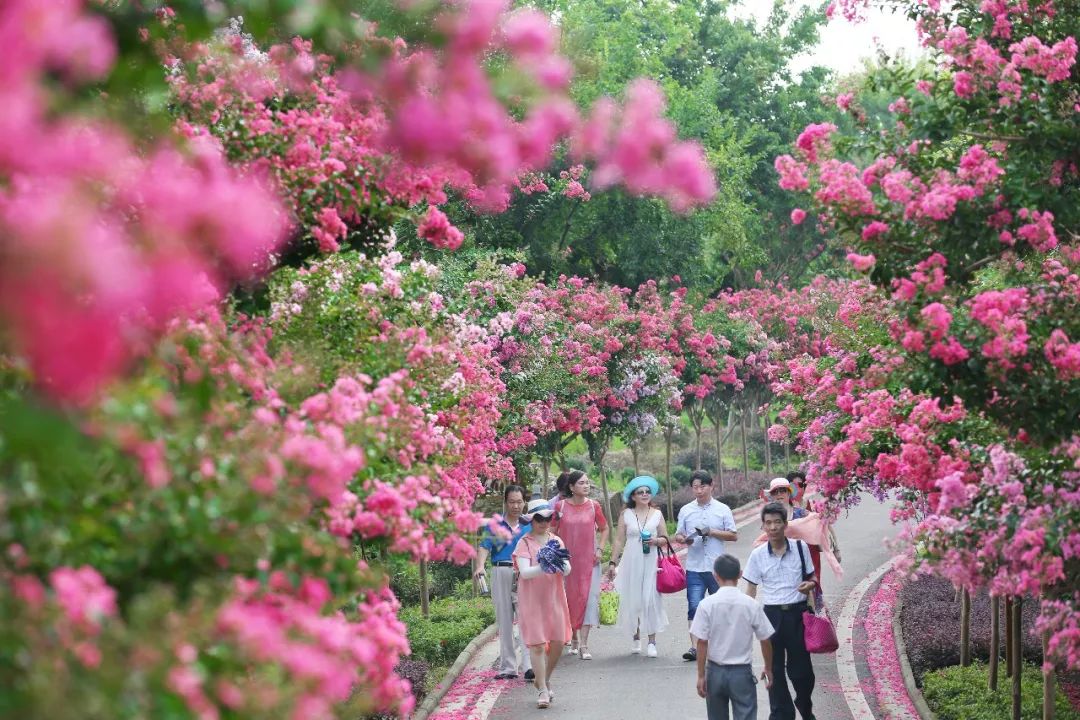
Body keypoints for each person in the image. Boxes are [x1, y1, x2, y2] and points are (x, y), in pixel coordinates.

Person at [743, 501, 818, 720]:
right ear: (763, 526)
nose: (773, 527)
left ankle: (804, 705)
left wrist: (810, 585)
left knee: (803, 672)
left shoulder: (801, 548)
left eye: (777, 522)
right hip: (771, 617)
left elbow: (812, 577)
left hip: (798, 615)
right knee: (773, 670)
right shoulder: (757, 555)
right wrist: (748, 619)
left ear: (786, 524)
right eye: (768, 523)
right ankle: (780, 714)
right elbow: (751, 588)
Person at [692, 554, 775, 720]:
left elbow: (702, 642)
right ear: (740, 574)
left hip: (715, 671)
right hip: (741, 672)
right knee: (746, 714)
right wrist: (768, 667)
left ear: (715, 575)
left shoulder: (706, 604)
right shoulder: (751, 604)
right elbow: (765, 639)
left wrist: (701, 675)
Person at [513, 499, 573, 709]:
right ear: (531, 520)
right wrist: (545, 566)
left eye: (548, 518)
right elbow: (525, 572)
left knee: (557, 642)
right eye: (539, 518)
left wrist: (560, 564)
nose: (544, 522)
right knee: (537, 645)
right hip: (531, 598)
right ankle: (542, 691)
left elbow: (567, 569)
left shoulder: (556, 540)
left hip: (554, 596)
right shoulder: (524, 543)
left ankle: (544, 679)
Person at [674, 470, 738, 662]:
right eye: (695, 487)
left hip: (717, 568)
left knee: (720, 607)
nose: (699, 490)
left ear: (711, 486)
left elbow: (733, 535)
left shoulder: (722, 509)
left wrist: (712, 532)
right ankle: (694, 648)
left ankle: (722, 646)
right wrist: (684, 539)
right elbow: (678, 535)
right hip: (694, 566)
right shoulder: (686, 510)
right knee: (694, 606)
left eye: (703, 486)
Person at [473, 484, 533, 681]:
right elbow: (484, 547)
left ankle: (529, 665)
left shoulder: (530, 524)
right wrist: (480, 566)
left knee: (526, 618)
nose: (516, 506)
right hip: (501, 570)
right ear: (505, 503)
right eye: (512, 502)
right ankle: (508, 666)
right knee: (504, 620)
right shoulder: (495, 525)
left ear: (524, 502)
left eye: (519, 502)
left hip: (523, 573)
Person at [606, 475, 669, 658]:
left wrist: (656, 540)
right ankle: (635, 636)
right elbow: (618, 540)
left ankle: (652, 641)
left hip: (651, 562)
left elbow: (666, 538)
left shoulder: (657, 514)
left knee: (650, 600)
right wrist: (612, 562)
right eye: (640, 492)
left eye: (647, 491)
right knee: (633, 600)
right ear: (633, 496)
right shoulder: (626, 515)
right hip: (631, 561)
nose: (644, 494)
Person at [551, 470, 607, 660]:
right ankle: (573, 638)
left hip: (589, 562)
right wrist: (554, 554)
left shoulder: (594, 506)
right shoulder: (560, 507)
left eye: (587, 482)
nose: (586, 486)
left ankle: (584, 644)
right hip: (567, 563)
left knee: (589, 600)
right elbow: (552, 531)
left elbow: (605, 528)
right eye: (582, 483)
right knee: (568, 601)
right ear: (572, 487)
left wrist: (600, 549)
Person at [759, 477, 842, 605]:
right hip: (781, 565)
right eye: (775, 492)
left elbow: (818, 529)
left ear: (789, 493)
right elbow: (764, 541)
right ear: (771, 496)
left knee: (809, 601)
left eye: (783, 491)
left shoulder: (803, 513)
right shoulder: (768, 518)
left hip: (804, 562)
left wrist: (832, 549)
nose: (779, 494)